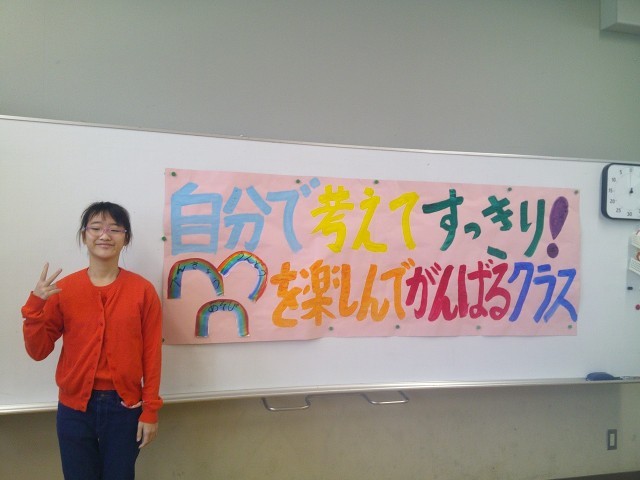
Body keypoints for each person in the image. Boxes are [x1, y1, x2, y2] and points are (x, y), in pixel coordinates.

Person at [21, 201, 163, 480]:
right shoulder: (64, 290)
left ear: (126, 238)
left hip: (125, 408)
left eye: (115, 229)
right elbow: (38, 351)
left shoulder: (142, 291)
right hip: (74, 408)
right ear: (84, 235)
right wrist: (35, 306)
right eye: (96, 228)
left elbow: (152, 356)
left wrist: (150, 410)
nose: (105, 235)